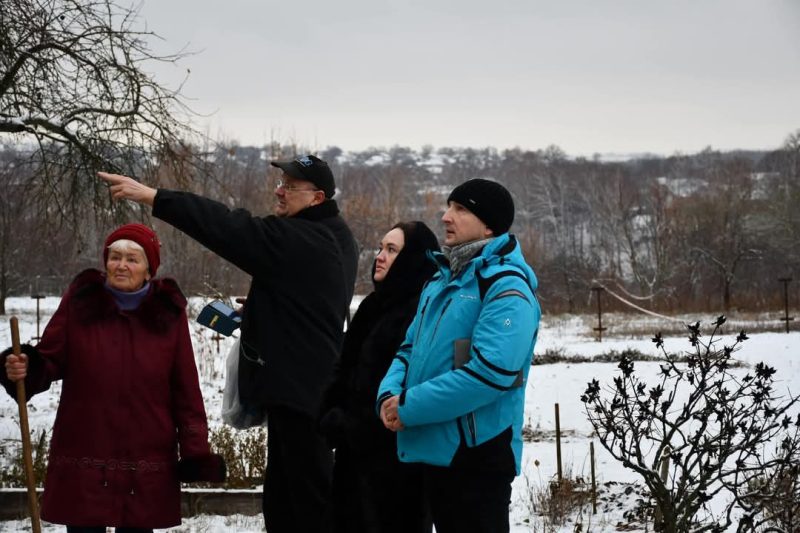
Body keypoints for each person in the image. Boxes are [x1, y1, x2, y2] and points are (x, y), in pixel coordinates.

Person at [98, 154, 359, 533]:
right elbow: (311, 297)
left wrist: (154, 196)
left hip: (302, 394)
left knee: (301, 502)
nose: (279, 190)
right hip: (309, 388)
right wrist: (270, 306)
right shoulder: (337, 235)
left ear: (317, 198)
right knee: (293, 495)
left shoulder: (299, 238)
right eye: (280, 181)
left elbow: (226, 226)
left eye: (289, 185)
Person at [1, 223, 225, 533]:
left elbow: (185, 389)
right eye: (114, 257)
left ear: (149, 270)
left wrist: (195, 450)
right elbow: (50, 358)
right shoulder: (81, 304)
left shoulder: (168, 316)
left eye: (132, 259)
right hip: (85, 449)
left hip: (146, 457)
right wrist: (26, 366)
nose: (121, 265)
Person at [377, 179, 541, 533]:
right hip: (435, 448)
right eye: (449, 207)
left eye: (460, 209)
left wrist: (409, 406)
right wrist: (389, 395)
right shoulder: (441, 280)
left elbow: (491, 373)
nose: (446, 216)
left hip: (478, 457)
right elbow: (408, 350)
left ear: (489, 225)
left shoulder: (505, 286)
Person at [319, 221, 439, 533]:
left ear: (413, 258)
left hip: (396, 461)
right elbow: (345, 366)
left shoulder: (422, 311)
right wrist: (332, 411)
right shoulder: (373, 305)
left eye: (392, 249)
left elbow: (410, 381)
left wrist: (357, 423)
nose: (380, 256)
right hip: (353, 455)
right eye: (381, 248)